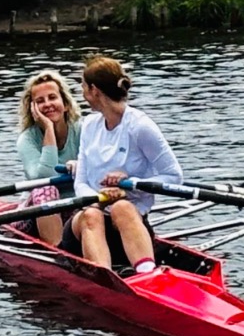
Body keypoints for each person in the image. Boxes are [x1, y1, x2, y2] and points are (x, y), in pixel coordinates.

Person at [65, 56, 183, 275]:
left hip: (129, 224)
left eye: (82, 87)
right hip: (87, 225)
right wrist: (101, 198)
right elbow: (80, 182)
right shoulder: (89, 125)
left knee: (122, 206)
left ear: (94, 90)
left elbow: (174, 177)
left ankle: (148, 276)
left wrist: (130, 184)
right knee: (92, 214)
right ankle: (104, 279)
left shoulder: (140, 127)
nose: (82, 93)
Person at [15, 69, 82, 245]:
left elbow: (99, 167)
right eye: (40, 101)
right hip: (33, 213)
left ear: (65, 104)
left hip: (75, 206)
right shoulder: (27, 139)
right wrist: (49, 130)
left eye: (52, 97)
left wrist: (81, 163)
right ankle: (58, 252)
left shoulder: (83, 130)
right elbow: (43, 178)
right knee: (46, 189)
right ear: (32, 109)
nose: (47, 104)